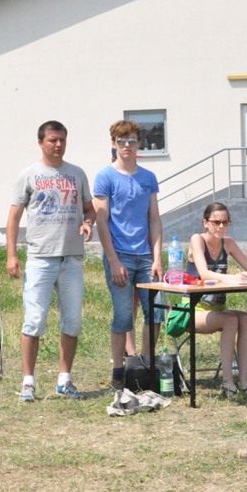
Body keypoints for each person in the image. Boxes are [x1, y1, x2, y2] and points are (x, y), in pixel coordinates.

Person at [6, 121, 96, 402]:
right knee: (34, 322)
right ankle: (28, 382)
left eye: (62, 140)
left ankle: (64, 379)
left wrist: (88, 223)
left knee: (72, 322)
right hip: (40, 259)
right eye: (52, 140)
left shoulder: (77, 174)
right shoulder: (29, 175)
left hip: (71, 260)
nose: (58, 145)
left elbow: (89, 209)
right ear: (41, 142)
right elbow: (13, 218)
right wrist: (11, 255)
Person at [93, 120, 163, 391]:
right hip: (119, 255)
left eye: (132, 141)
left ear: (139, 144)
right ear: (113, 144)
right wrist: (113, 260)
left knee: (156, 313)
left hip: (145, 256)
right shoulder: (105, 177)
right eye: (121, 141)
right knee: (123, 315)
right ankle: (119, 370)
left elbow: (154, 219)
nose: (127, 145)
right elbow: (101, 221)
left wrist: (157, 258)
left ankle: (144, 366)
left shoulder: (148, 177)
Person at [185, 202, 247, 397]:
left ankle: (244, 380)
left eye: (225, 222)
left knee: (244, 318)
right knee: (230, 320)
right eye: (216, 222)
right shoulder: (197, 239)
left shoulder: (228, 243)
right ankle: (228, 382)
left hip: (217, 309)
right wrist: (233, 278)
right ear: (205, 223)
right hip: (193, 310)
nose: (221, 226)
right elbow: (204, 274)